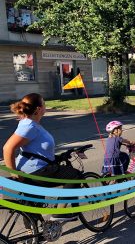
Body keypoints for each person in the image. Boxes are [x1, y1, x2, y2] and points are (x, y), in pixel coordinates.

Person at [2, 93, 80, 221]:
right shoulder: (29, 126)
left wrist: (58, 157)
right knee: (75, 176)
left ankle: (32, 236)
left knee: (33, 205)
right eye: (44, 103)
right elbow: (7, 148)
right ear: (38, 109)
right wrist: (14, 172)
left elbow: (37, 149)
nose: (45, 106)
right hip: (36, 170)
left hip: (33, 168)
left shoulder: (28, 123)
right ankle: (60, 213)